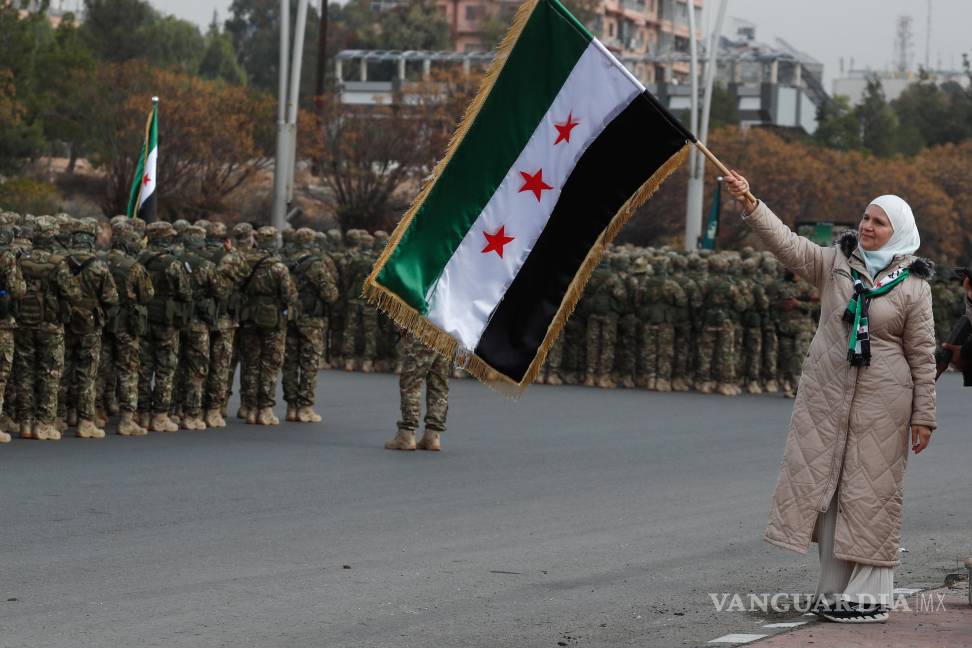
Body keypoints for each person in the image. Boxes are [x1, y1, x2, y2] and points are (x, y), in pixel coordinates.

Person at [725, 171, 936, 623]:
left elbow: (922, 357)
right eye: (865, 217)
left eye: (878, 222)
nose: (867, 226)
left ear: (897, 232)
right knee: (832, 496)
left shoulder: (915, 288)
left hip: (885, 408)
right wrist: (749, 201)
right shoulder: (835, 263)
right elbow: (786, 243)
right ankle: (833, 591)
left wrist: (924, 417)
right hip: (828, 400)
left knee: (871, 497)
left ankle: (870, 598)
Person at [385, 335, 451, 451]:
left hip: (425, 328)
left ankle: (407, 433)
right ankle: (432, 434)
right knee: (438, 382)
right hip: (446, 329)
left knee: (411, 379)